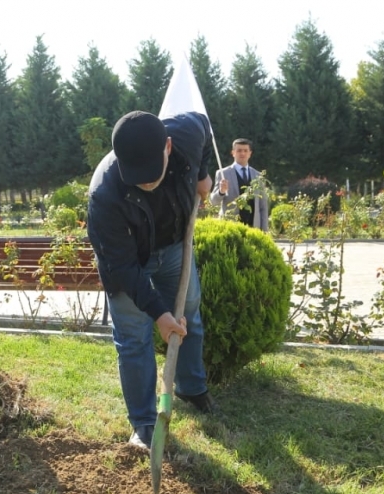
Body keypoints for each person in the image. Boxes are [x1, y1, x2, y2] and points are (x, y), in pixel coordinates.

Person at [87, 110, 216, 451]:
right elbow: (122, 267)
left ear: (168, 147)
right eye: (137, 173)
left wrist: (203, 176)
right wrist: (159, 314)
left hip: (173, 246)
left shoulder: (187, 133)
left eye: (151, 171)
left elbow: (204, 125)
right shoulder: (104, 194)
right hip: (129, 262)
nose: (145, 181)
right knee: (133, 337)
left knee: (189, 312)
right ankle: (144, 423)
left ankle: (191, 387)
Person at [209, 138, 269, 231]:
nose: (242, 153)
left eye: (245, 151)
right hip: (230, 227)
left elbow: (263, 206)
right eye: (239, 150)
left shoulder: (258, 176)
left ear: (250, 153)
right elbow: (213, 201)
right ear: (233, 153)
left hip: (253, 228)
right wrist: (221, 192)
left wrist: (264, 231)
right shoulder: (223, 174)